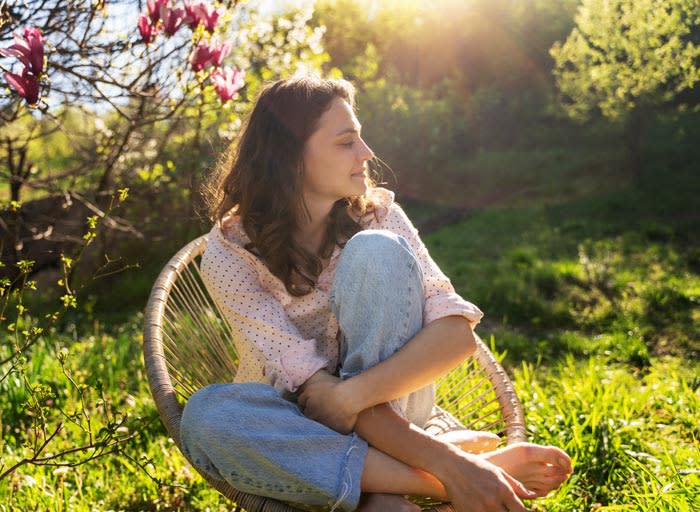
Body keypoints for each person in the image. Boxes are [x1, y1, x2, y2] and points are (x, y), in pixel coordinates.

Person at [180, 76, 572, 512]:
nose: (367, 154)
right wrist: (454, 467)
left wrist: (349, 396)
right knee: (205, 418)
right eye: (347, 142)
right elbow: (311, 392)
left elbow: (457, 334)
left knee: (377, 252)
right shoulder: (230, 254)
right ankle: (449, 472)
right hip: (297, 429)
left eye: (361, 138)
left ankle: (384, 491)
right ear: (289, 157)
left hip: (399, 409)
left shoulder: (379, 217)